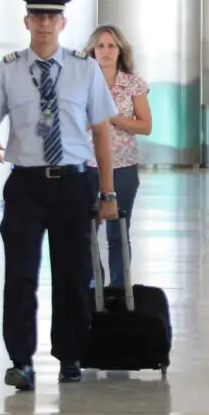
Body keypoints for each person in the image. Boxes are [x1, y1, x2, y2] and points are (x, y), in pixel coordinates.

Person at [0, 0, 121, 392]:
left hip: (74, 182)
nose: (43, 23)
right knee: (20, 275)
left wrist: (107, 192)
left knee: (73, 275)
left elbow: (101, 131)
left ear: (62, 24)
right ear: (27, 22)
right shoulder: (8, 70)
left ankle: (71, 356)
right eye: (36, 16)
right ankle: (20, 360)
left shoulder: (84, 69)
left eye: (51, 17)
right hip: (26, 184)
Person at [86, 24, 150, 287]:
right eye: (100, 46)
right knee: (87, 229)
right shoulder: (83, 81)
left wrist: (111, 117)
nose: (106, 51)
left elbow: (145, 125)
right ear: (92, 50)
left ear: (120, 50)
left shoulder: (132, 83)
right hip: (87, 165)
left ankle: (120, 288)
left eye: (111, 46)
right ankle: (93, 284)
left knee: (119, 231)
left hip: (123, 166)